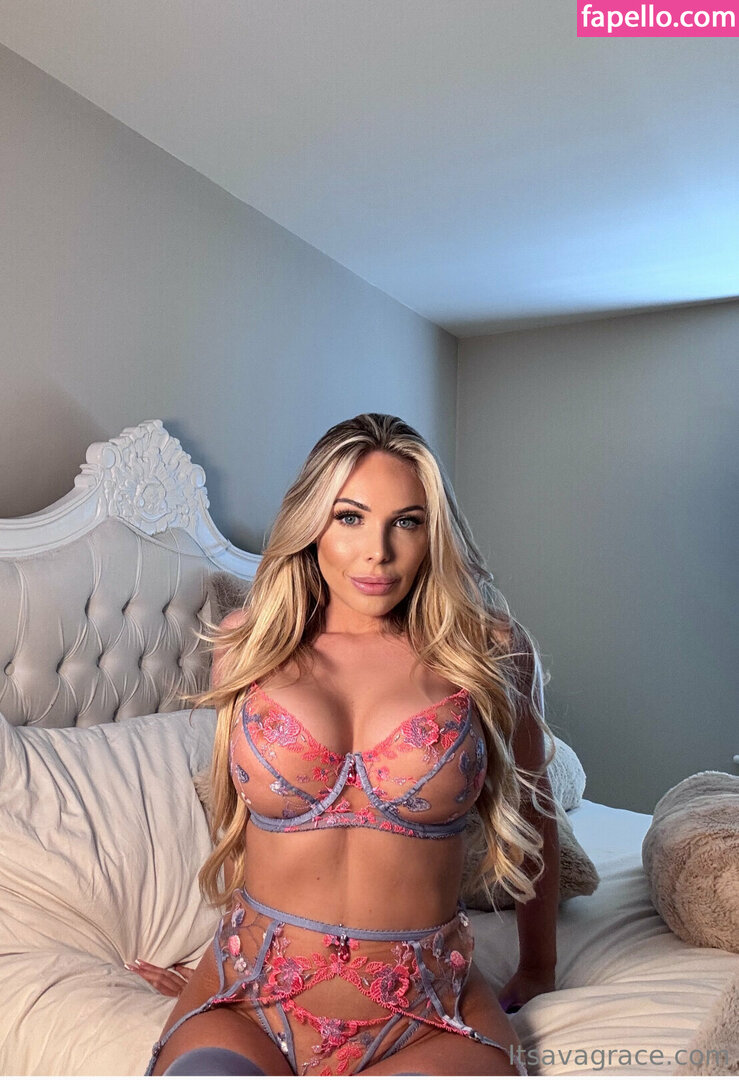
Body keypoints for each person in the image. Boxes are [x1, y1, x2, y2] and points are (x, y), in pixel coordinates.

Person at [134, 413, 560, 1077]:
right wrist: (209, 966)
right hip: (249, 998)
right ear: (312, 524)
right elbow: (242, 825)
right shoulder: (248, 645)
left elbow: (536, 811)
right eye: (350, 517)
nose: (377, 552)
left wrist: (538, 967)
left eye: (406, 521)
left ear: (433, 533)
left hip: (429, 1013)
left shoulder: (490, 651)